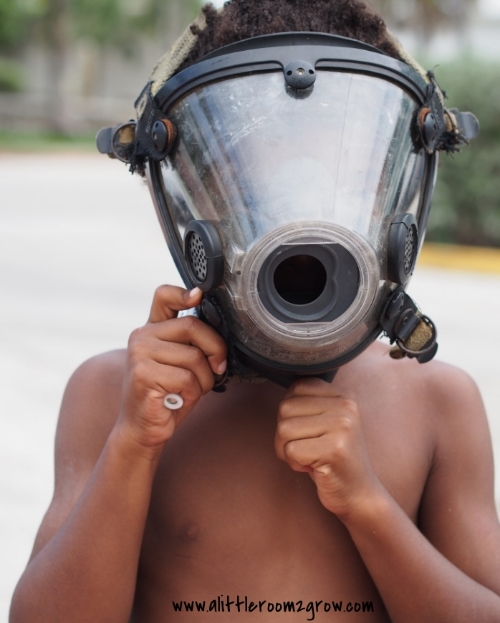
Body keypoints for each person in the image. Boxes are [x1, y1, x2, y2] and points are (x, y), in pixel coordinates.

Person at [10, 1, 500, 622]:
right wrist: (133, 444)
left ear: (391, 191)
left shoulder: (437, 404)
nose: (299, 215)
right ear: (192, 193)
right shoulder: (114, 395)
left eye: (333, 174)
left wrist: (367, 505)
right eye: (255, 176)